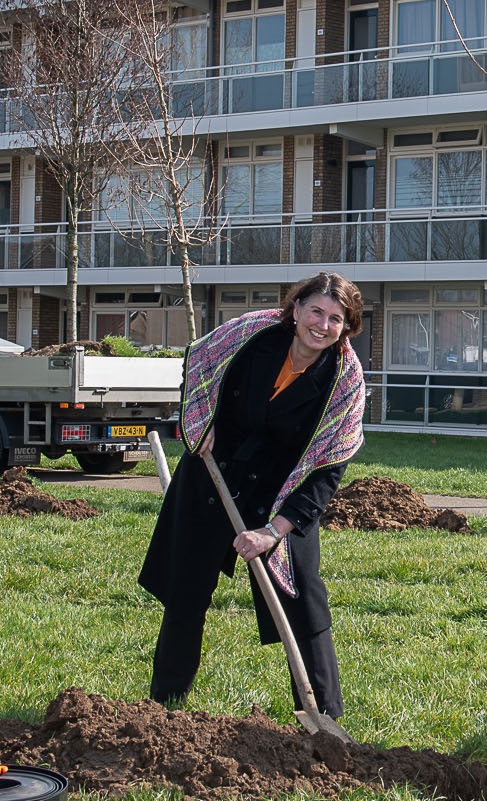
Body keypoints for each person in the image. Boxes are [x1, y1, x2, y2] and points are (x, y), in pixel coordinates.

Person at [139, 272, 366, 718]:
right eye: (316, 311)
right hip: (213, 472)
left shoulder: (345, 382)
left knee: (303, 602)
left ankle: (325, 718)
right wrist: (199, 423)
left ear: (348, 327)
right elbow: (198, 364)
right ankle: (163, 711)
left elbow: (328, 469)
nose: (322, 325)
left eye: (336, 319)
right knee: (186, 595)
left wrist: (274, 531)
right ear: (296, 308)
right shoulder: (250, 335)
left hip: (282, 494)